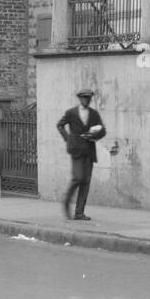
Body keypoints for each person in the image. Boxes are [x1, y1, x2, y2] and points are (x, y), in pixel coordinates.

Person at [56, 88, 106, 220]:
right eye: (84, 98)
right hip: (76, 150)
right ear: (80, 99)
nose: (86, 100)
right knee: (78, 178)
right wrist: (68, 139)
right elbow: (60, 125)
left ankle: (79, 212)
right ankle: (66, 202)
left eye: (88, 98)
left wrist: (94, 135)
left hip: (89, 151)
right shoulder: (71, 113)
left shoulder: (94, 114)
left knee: (86, 181)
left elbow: (103, 130)